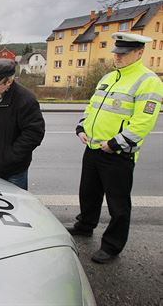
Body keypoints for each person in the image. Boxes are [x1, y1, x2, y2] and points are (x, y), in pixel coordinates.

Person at [66, 32, 163, 264]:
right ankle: (86, 224)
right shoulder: (109, 77)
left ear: (139, 53)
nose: (117, 57)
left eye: (123, 53)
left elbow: (143, 122)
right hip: (93, 147)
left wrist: (115, 143)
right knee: (88, 192)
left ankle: (112, 246)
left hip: (117, 154)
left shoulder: (148, 81)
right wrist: (81, 127)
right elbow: (93, 105)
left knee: (118, 204)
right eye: (116, 52)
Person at [0, 58, 45, 190]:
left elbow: (34, 134)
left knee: (15, 207)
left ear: (9, 81)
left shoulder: (25, 100)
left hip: (13, 171)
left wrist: (10, 157)